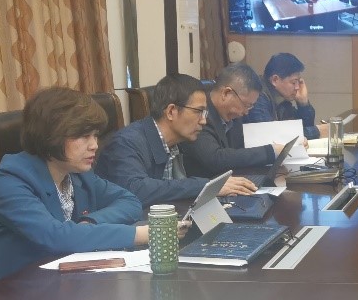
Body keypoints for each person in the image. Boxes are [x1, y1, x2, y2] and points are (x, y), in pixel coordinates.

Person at [0, 87, 146, 285]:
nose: (94, 145)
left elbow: (129, 201)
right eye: (84, 136)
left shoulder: (77, 174)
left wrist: (91, 222)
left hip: (44, 283)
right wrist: (139, 235)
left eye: (95, 135)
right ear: (53, 135)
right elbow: (55, 237)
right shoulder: (10, 179)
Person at [95, 74, 259, 207]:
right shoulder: (126, 143)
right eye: (198, 112)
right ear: (171, 111)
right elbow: (137, 190)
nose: (203, 121)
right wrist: (206, 186)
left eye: (205, 113)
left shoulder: (178, 140)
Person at [181, 63, 282, 177]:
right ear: (226, 93)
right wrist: (270, 152)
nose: (246, 112)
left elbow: (239, 150)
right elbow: (215, 158)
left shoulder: (233, 115)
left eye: (250, 106)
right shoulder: (200, 115)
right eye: (246, 105)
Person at [245, 52, 327, 140]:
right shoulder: (257, 96)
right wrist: (317, 131)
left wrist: (303, 104)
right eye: (293, 82)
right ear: (275, 80)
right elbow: (269, 136)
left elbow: (299, 127)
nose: (297, 87)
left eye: (298, 82)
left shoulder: (282, 98)